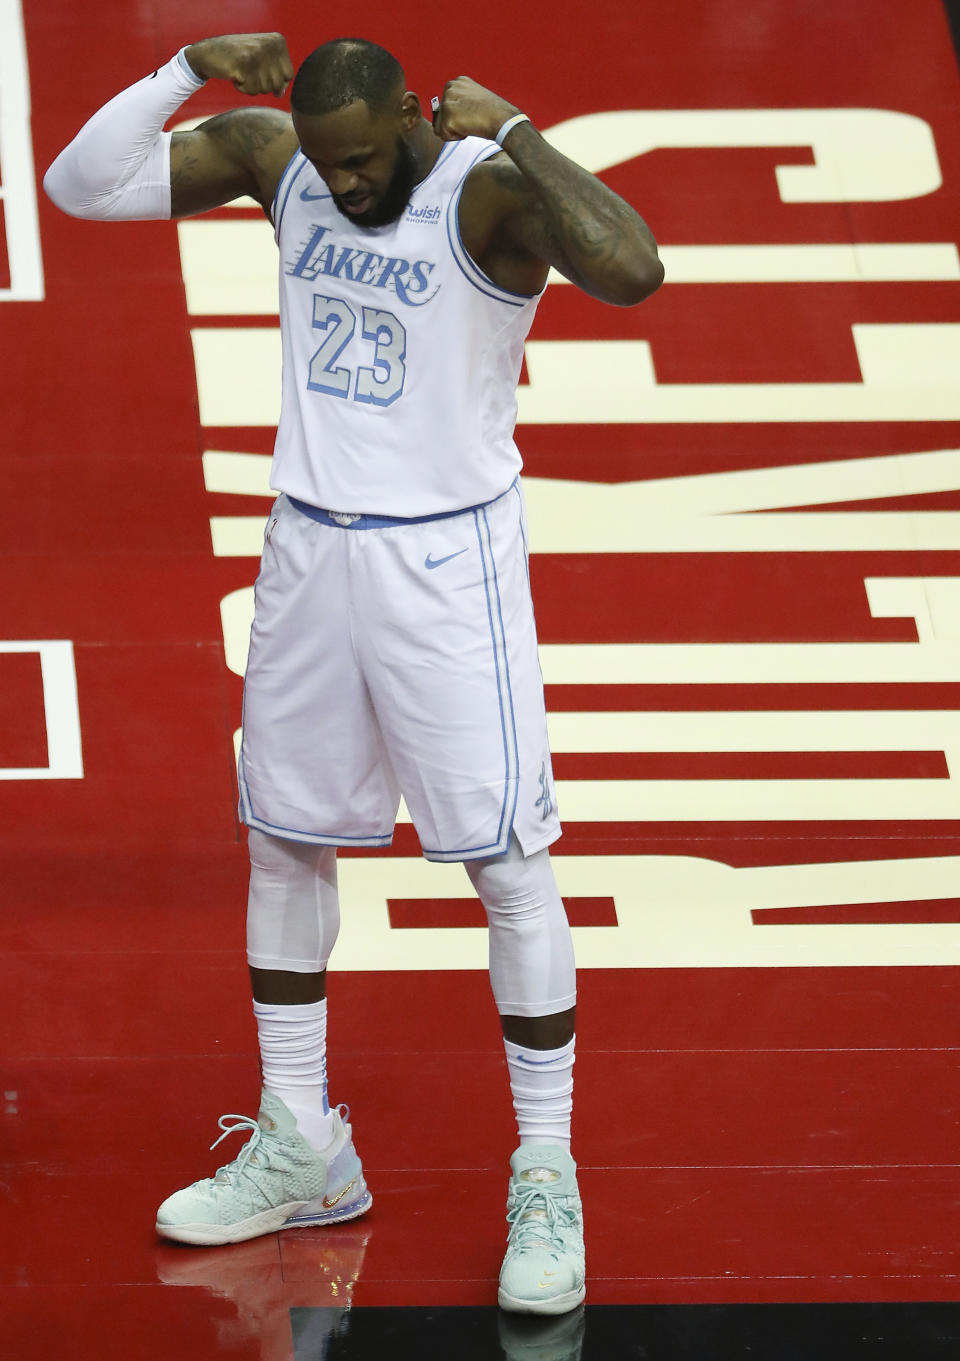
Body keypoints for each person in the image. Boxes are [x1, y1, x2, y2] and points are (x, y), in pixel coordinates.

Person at [44, 31, 663, 1315]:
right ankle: (301, 1142)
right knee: (283, 842)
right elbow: (79, 187)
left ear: (411, 118)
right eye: (330, 163)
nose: (348, 185)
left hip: (448, 568)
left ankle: (545, 1169)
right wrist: (185, 69)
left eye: (367, 158)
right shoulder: (290, 167)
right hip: (309, 550)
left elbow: (633, 268)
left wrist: (522, 130)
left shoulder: (484, 191)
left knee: (506, 860)